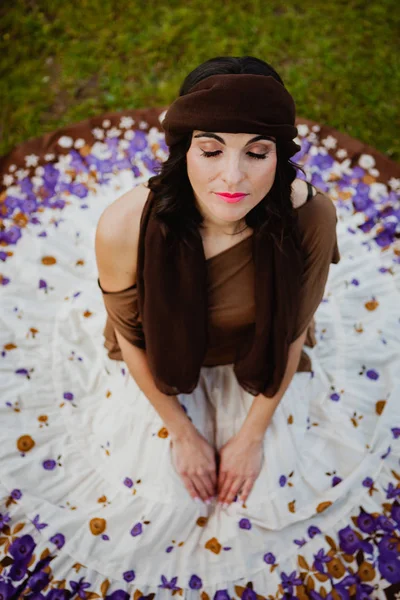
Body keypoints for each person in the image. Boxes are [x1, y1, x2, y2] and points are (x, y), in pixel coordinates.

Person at [95, 55, 340, 511]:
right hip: (160, 359)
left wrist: (251, 436)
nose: (232, 176)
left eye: (256, 152)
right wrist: (183, 433)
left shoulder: (311, 218)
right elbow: (130, 336)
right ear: (184, 150)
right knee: (159, 501)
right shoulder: (123, 225)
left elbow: (291, 332)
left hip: (260, 354)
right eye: (211, 151)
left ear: (279, 156)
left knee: (269, 497)